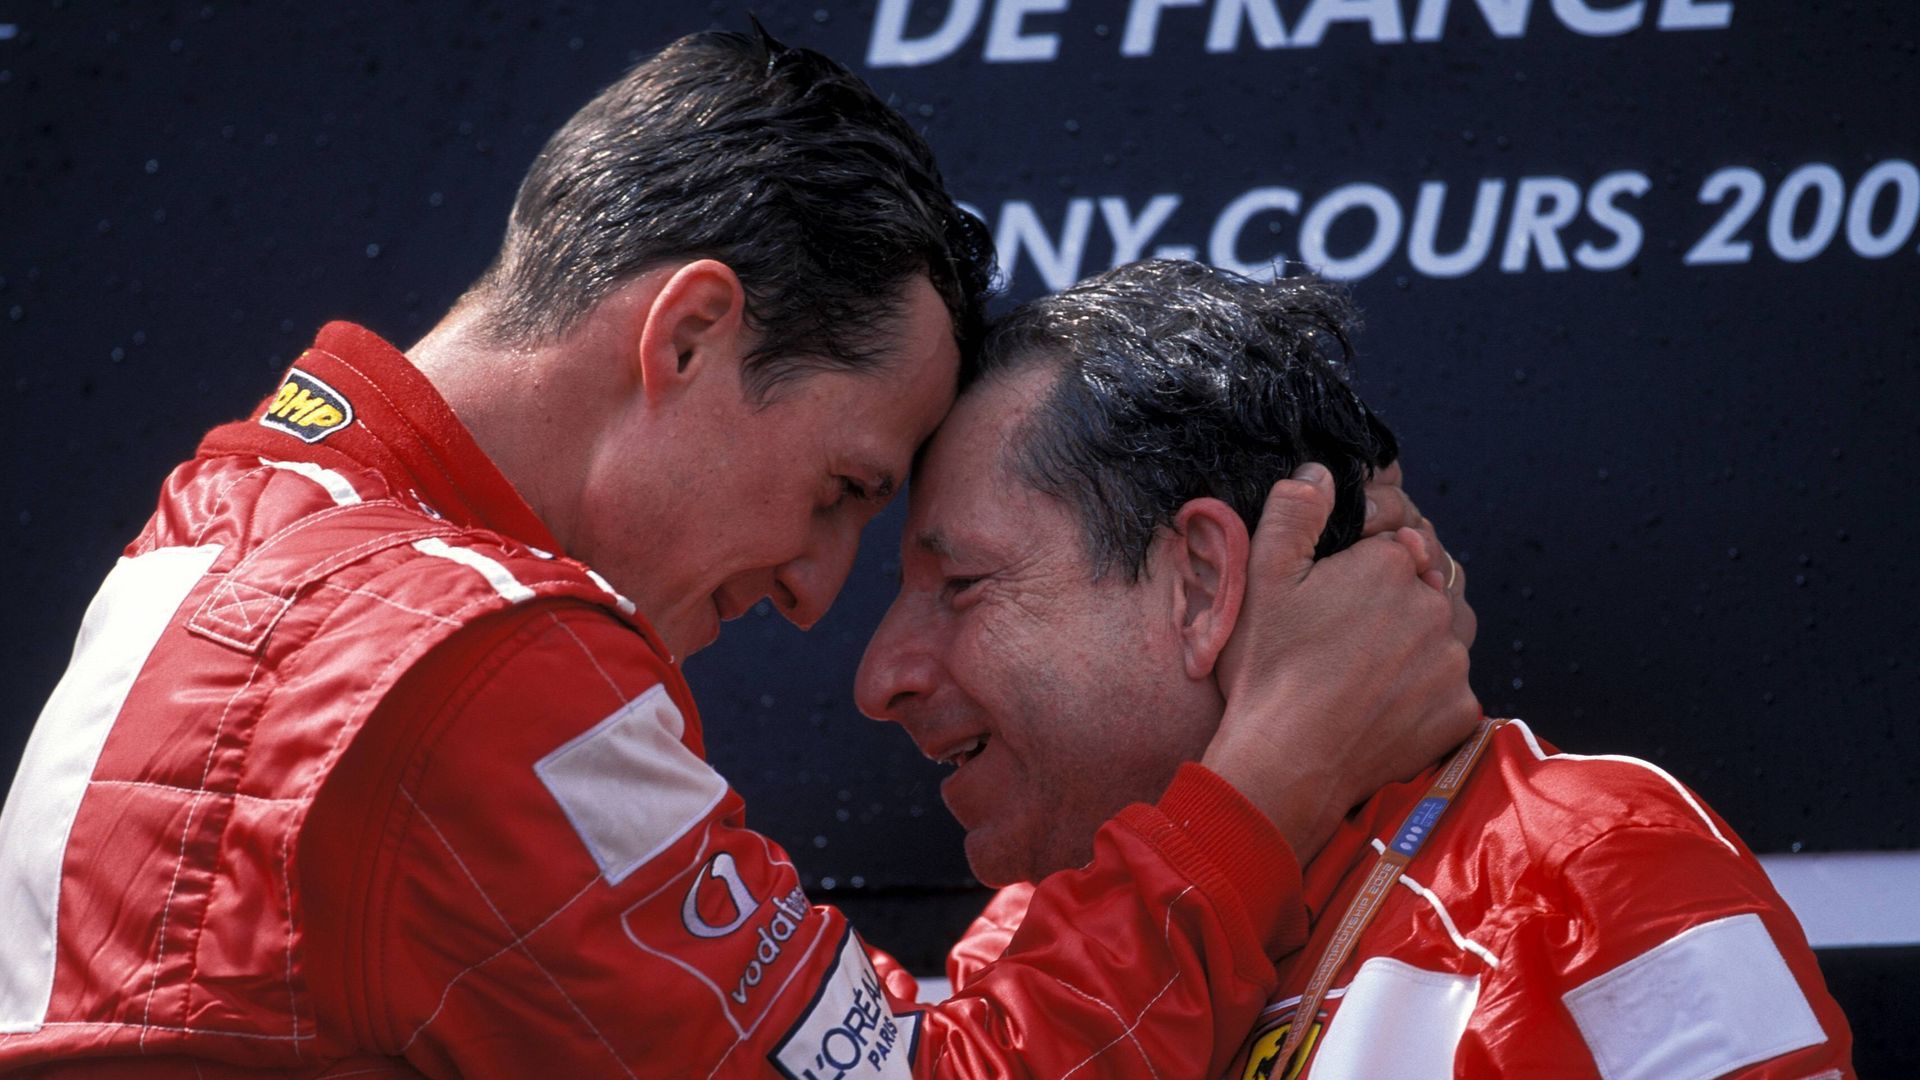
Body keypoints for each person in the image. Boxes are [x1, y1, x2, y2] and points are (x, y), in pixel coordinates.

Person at [0, 29, 1477, 1078]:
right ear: (692, 334)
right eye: (843, 488)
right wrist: (1270, 775)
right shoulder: (467, 658)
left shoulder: (214, 531)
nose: (818, 595)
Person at [856, 259, 1855, 1079]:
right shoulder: (1029, 945)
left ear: (1198, 581)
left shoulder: (1588, 870)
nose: (881, 676)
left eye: (963, 584)